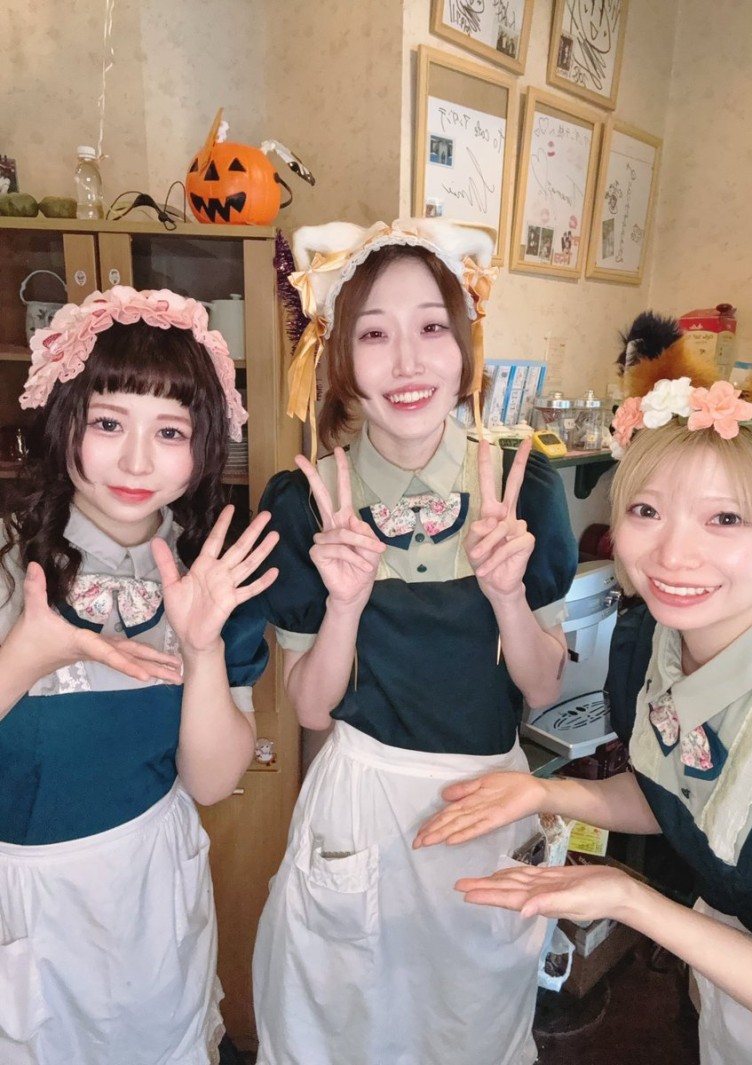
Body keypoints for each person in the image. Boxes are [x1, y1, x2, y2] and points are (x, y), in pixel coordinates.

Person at [415, 336, 752, 1065]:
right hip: (729, 976)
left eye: (726, 519)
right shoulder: (655, 641)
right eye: (647, 509)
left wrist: (631, 900)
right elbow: (679, 793)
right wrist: (544, 791)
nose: (673, 554)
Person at [251, 218, 579, 1065]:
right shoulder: (304, 501)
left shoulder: (523, 486)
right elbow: (311, 707)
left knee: (472, 1026)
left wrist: (507, 594)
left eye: (432, 326)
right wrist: (346, 604)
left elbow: (542, 687)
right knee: (344, 1024)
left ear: (464, 345)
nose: (407, 362)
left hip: (487, 800)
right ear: (337, 356)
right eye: (374, 333)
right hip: (363, 802)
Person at [0, 286, 279, 1065]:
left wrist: (202, 648)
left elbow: (213, 781)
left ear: (204, 446)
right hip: (20, 892)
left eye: (170, 431)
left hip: (149, 885)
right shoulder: (7, 559)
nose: (136, 460)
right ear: (63, 421)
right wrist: (25, 657)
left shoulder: (212, 578)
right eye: (108, 423)